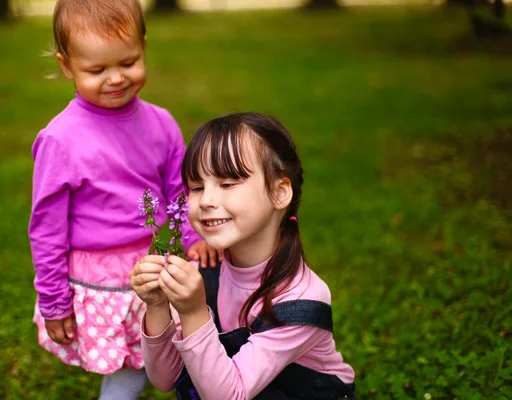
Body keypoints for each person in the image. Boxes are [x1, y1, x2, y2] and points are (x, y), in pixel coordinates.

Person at [28, 0, 220, 398]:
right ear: (67, 66)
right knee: (129, 368)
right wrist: (54, 300)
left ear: (143, 47)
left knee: (167, 354)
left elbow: (177, 193)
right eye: (97, 70)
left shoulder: (161, 123)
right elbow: (46, 229)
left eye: (128, 62)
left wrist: (192, 238)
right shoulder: (61, 139)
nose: (115, 78)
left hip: (153, 266)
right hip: (99, 279)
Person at [130, 112, 356, 399]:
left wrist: (193, 312)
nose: (208, 201)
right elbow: (166, 378)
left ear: (279, 192)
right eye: (197, 187)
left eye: (227, 184)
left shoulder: (301, 298)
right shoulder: (204, 268)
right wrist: (158, 305)